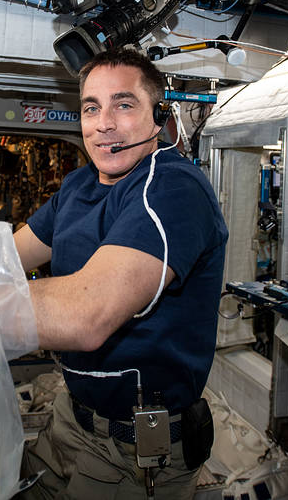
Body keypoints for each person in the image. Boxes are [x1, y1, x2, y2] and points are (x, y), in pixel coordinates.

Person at [14, 47, 228, 498]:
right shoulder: (79, 185)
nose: (104, 123)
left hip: (134, 452)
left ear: (159, 118)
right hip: (72, 419)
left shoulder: (173, 189)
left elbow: (86, 316)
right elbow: (7, 256)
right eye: (92, 108)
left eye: (124, 105)